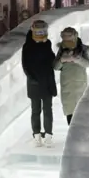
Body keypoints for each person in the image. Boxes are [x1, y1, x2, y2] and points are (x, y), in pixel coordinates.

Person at [22, 19, 57, 147]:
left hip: (47, 82)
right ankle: (36, 135)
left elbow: (51, 60)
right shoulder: (27, 46)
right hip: (35, 84)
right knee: (36, 110)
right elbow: (25, 66)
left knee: (48, 110)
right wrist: (33, 79)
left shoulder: (47, 44)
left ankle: (48, 135)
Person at [54, 27, 89, 126]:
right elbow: (56, 66)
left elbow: (87, 63)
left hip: (79, 83)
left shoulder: (83, 49)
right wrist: (62, 60)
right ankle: (72, 132)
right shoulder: (62, 49)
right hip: (67, 84)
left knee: (80, 109)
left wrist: (77, 59)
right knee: (70, 109)